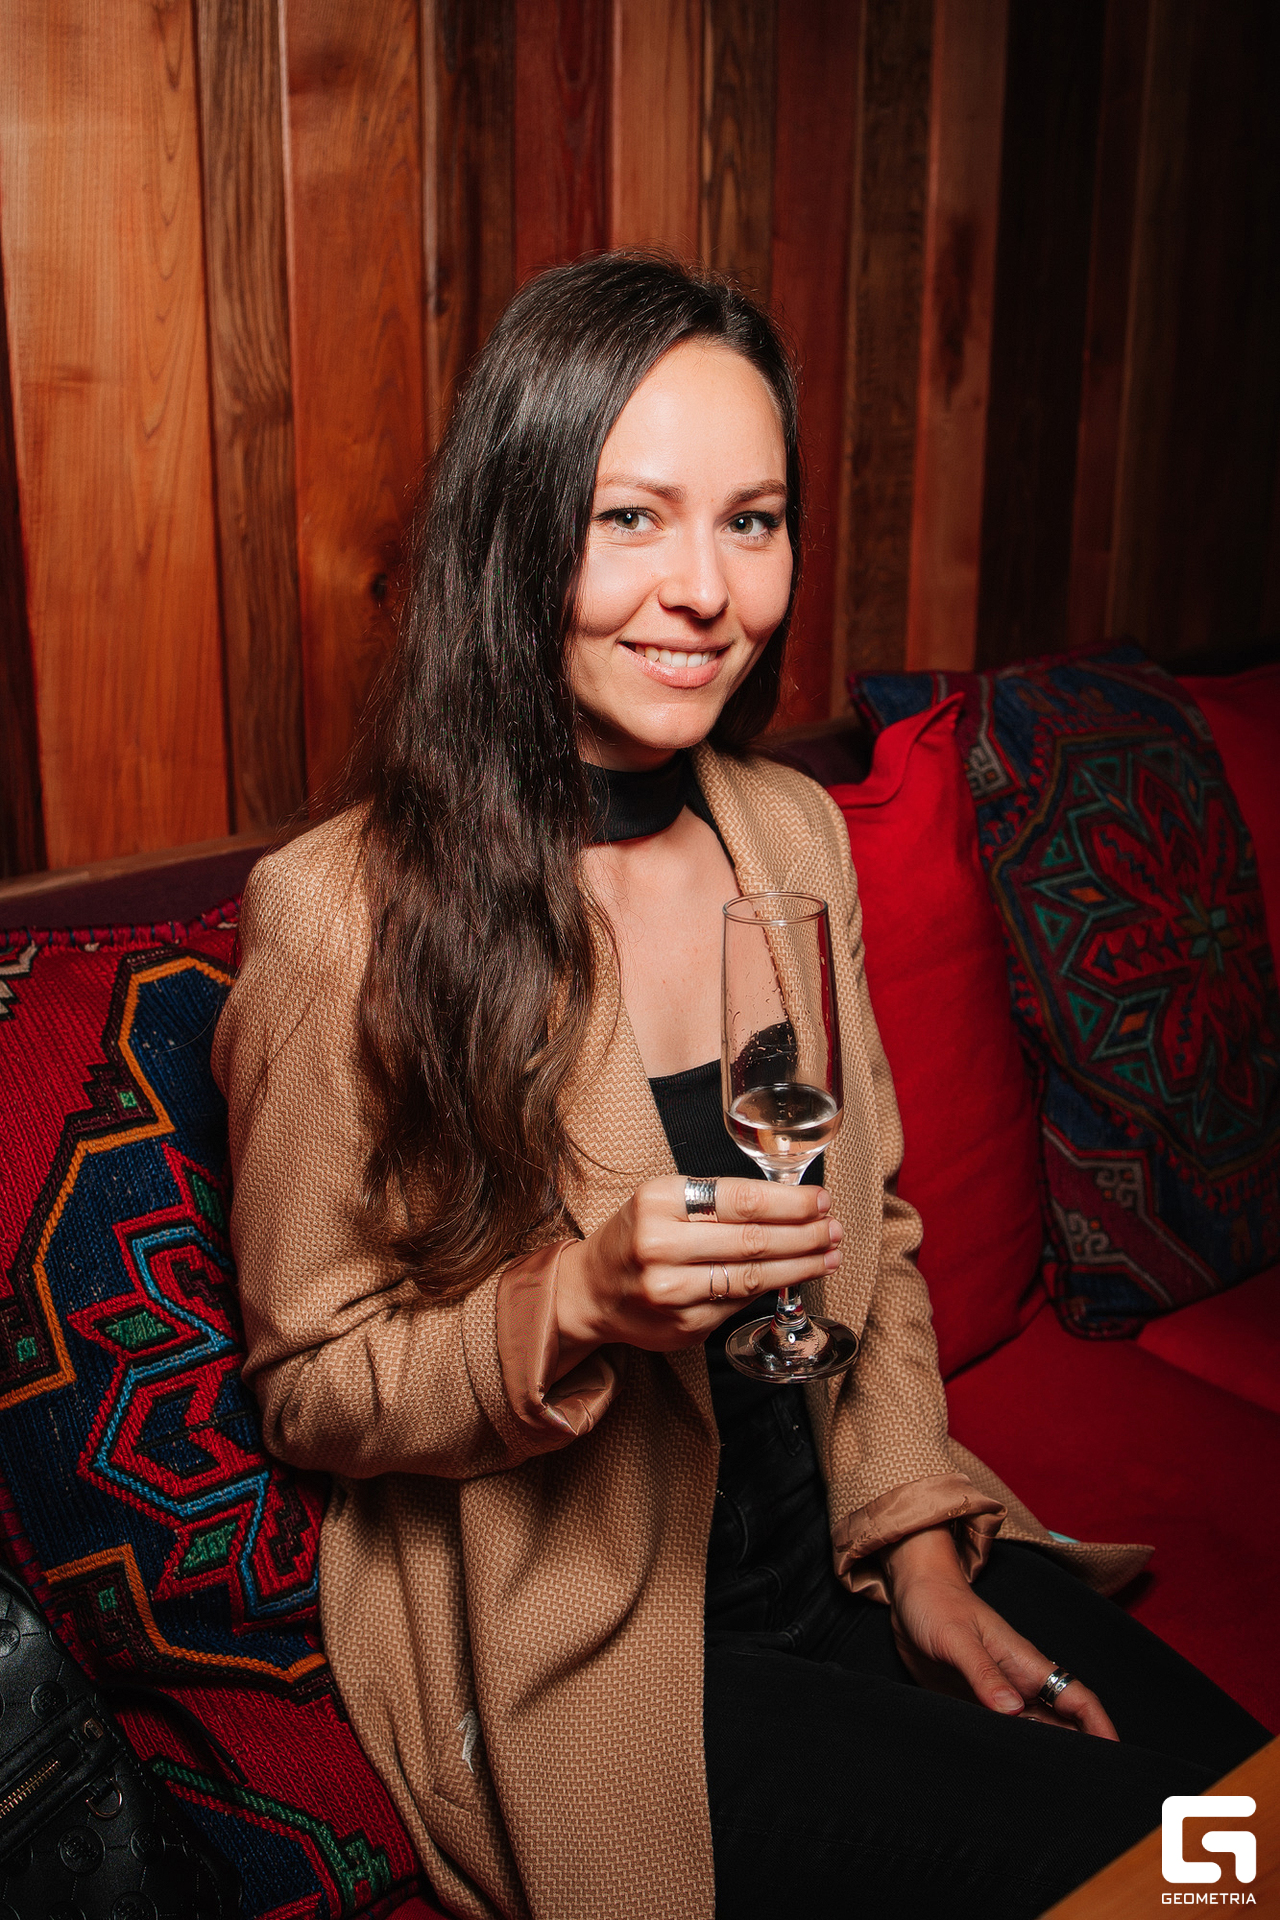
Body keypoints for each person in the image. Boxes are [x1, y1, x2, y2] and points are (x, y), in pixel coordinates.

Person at [213, 254, 1268, 1920]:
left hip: (840, 1540)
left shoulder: (787, 832)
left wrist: (919, 1547)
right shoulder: (339, 915)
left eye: (752, 521)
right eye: (632, 518)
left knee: (1245, 1831)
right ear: (515, 532)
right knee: (1160, 1878)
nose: (704, 590)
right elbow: (313, 1388)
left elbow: (880, 1233)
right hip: (606, 1648)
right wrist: (572, 1302)